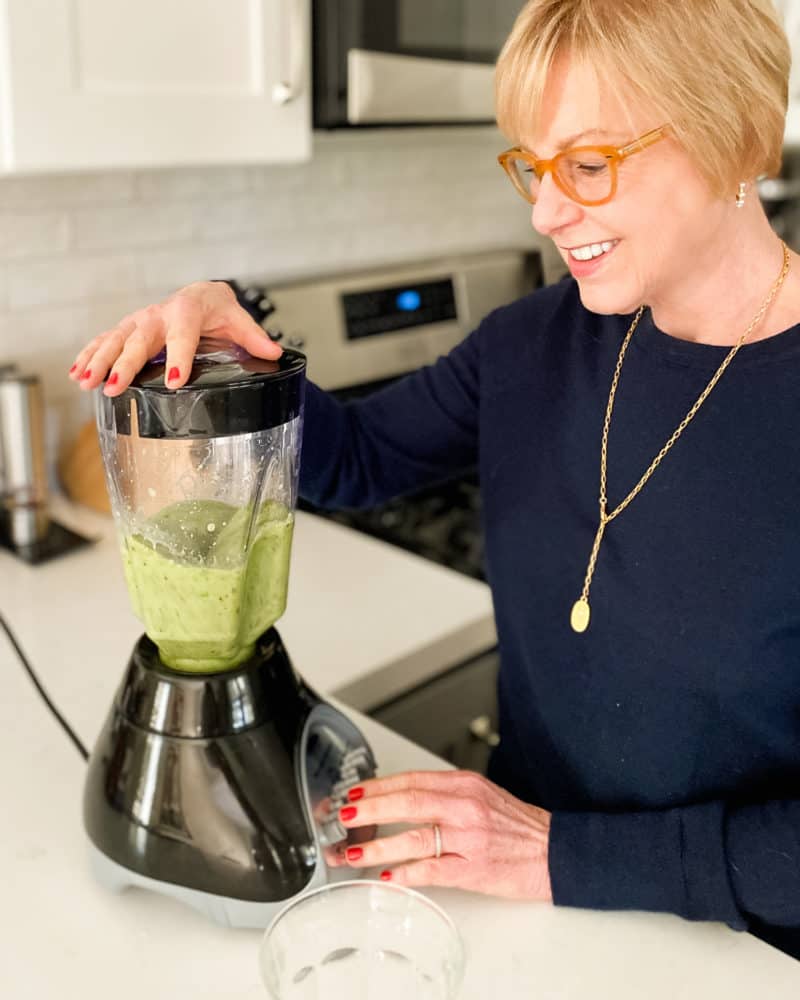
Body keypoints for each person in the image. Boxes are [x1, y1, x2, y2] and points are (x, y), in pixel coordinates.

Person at [69, 0, 800, 961]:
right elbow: (358, 458)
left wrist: (558, 853)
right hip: (520, 911)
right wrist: (239, 350)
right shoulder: (533, 344)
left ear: (733, 137)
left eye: (588, 166)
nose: (545, 211)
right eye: (534, 168)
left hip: (741, 949)